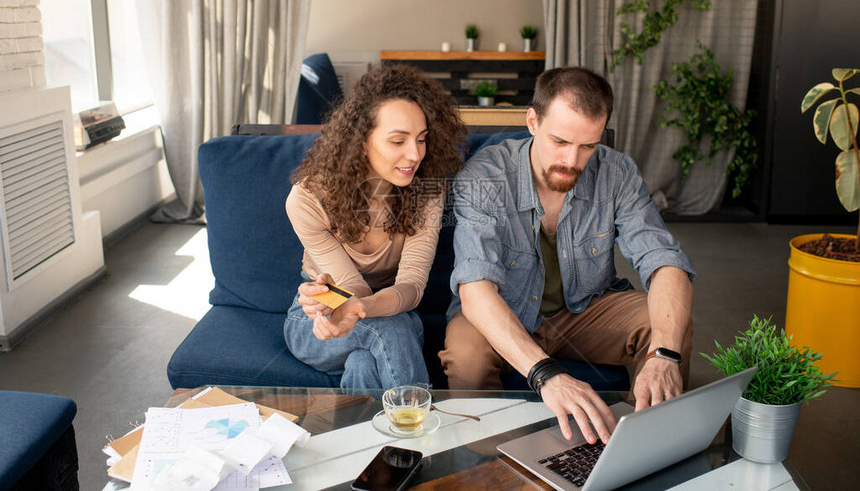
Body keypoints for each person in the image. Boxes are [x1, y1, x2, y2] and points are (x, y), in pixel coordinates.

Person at [440, 66, 695, 445]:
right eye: (560, 141)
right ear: (532, 121)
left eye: (588, 146)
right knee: (466, 354)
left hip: (583, 310)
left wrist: (665, 353)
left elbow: (664, 260)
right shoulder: (484, 177)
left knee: (669, 324)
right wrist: (546, 373)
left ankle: (644, 447)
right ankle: (484, 460)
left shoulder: (617, 172)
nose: (573, 161)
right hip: (501, 311)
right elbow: (475, 291)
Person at [284, 63, 467, 390]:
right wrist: (350, 305)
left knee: (364, 362)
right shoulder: (308, 199)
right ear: (361, 142)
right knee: (392, 328)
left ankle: (366, 437)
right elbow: (351, 290)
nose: (415, 154)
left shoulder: (427, 192)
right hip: (322, 316)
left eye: (422, 139)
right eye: (398, 141)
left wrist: (363, 307)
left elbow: (411, 285)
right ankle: (421, 431)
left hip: (392, 308)